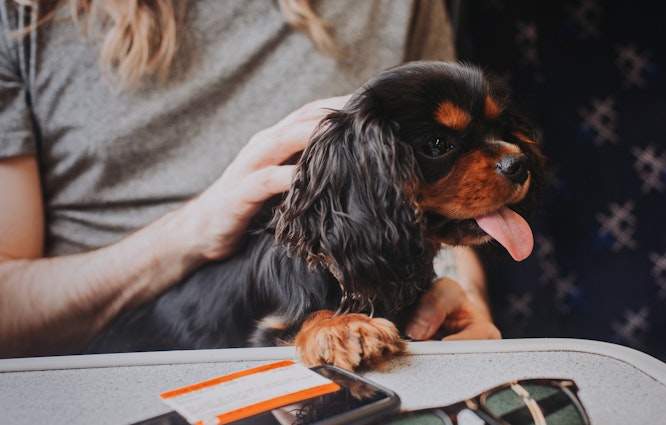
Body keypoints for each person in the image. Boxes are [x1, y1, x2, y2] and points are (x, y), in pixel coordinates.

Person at [0, 0, 504, 358]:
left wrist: (459, 307)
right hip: (112, 365)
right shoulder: (24, 15)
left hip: (382, 332)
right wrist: (194, 230)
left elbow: (443, 177)